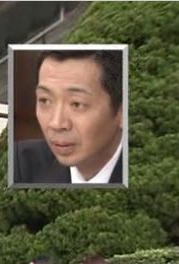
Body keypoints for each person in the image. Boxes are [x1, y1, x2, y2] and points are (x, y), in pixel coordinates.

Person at [12, 49, 124, 186]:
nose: (56, 124)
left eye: (77, 104)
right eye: (45, 100)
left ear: (122, 111)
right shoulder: (20, 164)